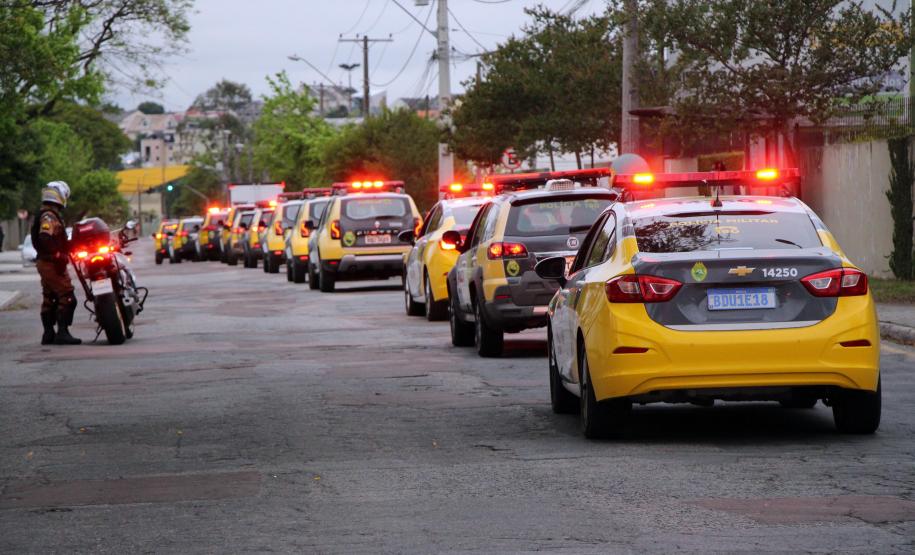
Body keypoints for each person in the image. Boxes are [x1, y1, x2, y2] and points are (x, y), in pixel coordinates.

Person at [31, 181, 81, 345]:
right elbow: (46, 237)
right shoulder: (49, 216)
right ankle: (62, 333)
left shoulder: (47, 213)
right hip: (49, 263)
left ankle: (48, 334)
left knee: (50, 297)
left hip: (45, 263)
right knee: (67, 296)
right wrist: (58, 254)